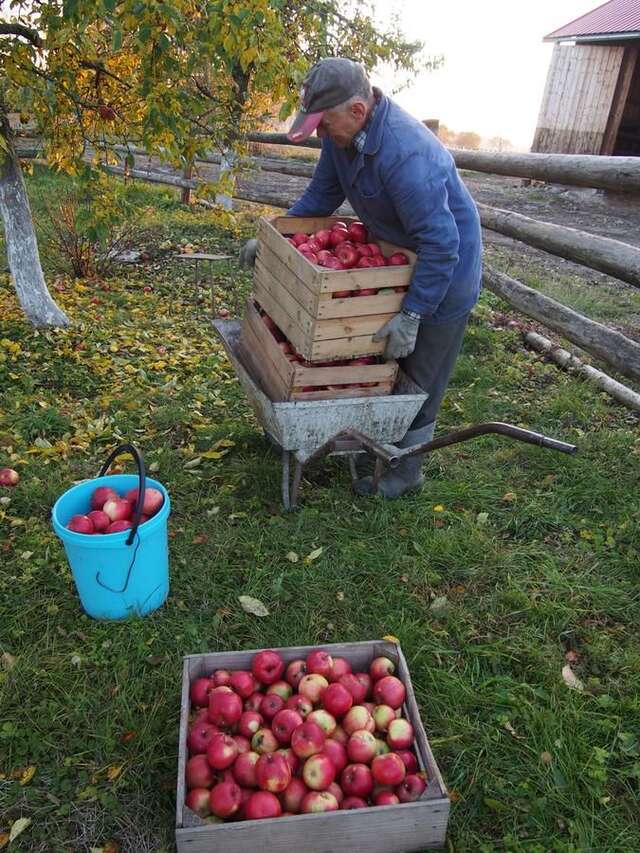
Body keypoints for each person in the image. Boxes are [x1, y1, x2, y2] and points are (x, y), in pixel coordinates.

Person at [240, 57, 482, 498]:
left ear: (357, 111)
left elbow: (443, 246)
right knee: (381, 360)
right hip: (394, 260)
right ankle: (375, 442)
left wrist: (413, 314)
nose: (318, 132)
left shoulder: (406, 154)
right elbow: (322, 194)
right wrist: (278, 235)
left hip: (445, 270)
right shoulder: (342, 137)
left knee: (420, 373)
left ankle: (406, 471)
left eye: (323, 122)